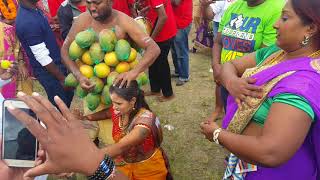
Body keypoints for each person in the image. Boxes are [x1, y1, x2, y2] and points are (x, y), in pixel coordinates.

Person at [201, 0, 320, 179]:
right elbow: (231, 65)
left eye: (285, 18)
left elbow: (270, 152)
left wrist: (217, 134)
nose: (276, 24)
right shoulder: (277, 52)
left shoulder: (302, 84)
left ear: (310, 28)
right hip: (244, 162)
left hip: (276, 173)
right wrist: (232, 82)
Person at [76, 81, 169, 179]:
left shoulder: (145, 122)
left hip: (148, 168)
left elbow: (120, 147)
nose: (114, 107)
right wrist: (85, 118)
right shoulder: (119, 110)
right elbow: (107, 113)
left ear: (132, 101)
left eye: (118, 103)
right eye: (112, 102)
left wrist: (84, 160)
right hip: (124, 164)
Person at [210, 0, 284, 120]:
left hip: (249, 86)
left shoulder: (276, 9)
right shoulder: (234, 7)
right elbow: (218, 42)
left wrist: (232, 77)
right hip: (226, 77)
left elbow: (266, 58)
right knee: (229, 117)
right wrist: (216, 66)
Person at [15, 0, 74, 107]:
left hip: (55, 65)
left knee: (66, 100)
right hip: (50, 71)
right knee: (61, 106)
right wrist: (62, 79)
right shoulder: (28, 22)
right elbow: (42, 57)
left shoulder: (34, 9)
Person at [171, 0, 193, 86]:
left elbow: (176, 2)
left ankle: (184, 76)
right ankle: (178, 71)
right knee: (174, 50)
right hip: (175, 21)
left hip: (182, 22)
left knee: (180, 50)